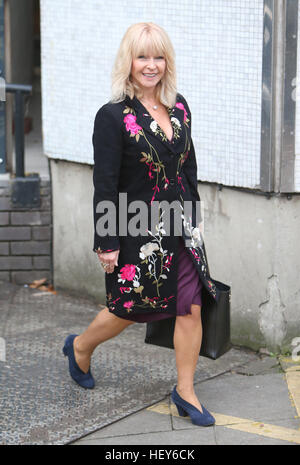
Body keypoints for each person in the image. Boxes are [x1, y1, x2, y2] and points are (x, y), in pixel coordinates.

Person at [63, 22, 219, 427]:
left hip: (180, 227)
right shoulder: (112, 116)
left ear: (167, 61)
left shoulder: (179, 106)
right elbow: (105, 184)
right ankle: (79, 347)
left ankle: (185, 391)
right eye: (142, 56)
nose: (151, 65)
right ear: (128, 61)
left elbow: (189, 169)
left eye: (158, 56)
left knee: (191, 308)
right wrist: (107, 241)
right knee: (127, 309)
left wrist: (195, 223)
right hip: (134, 228)